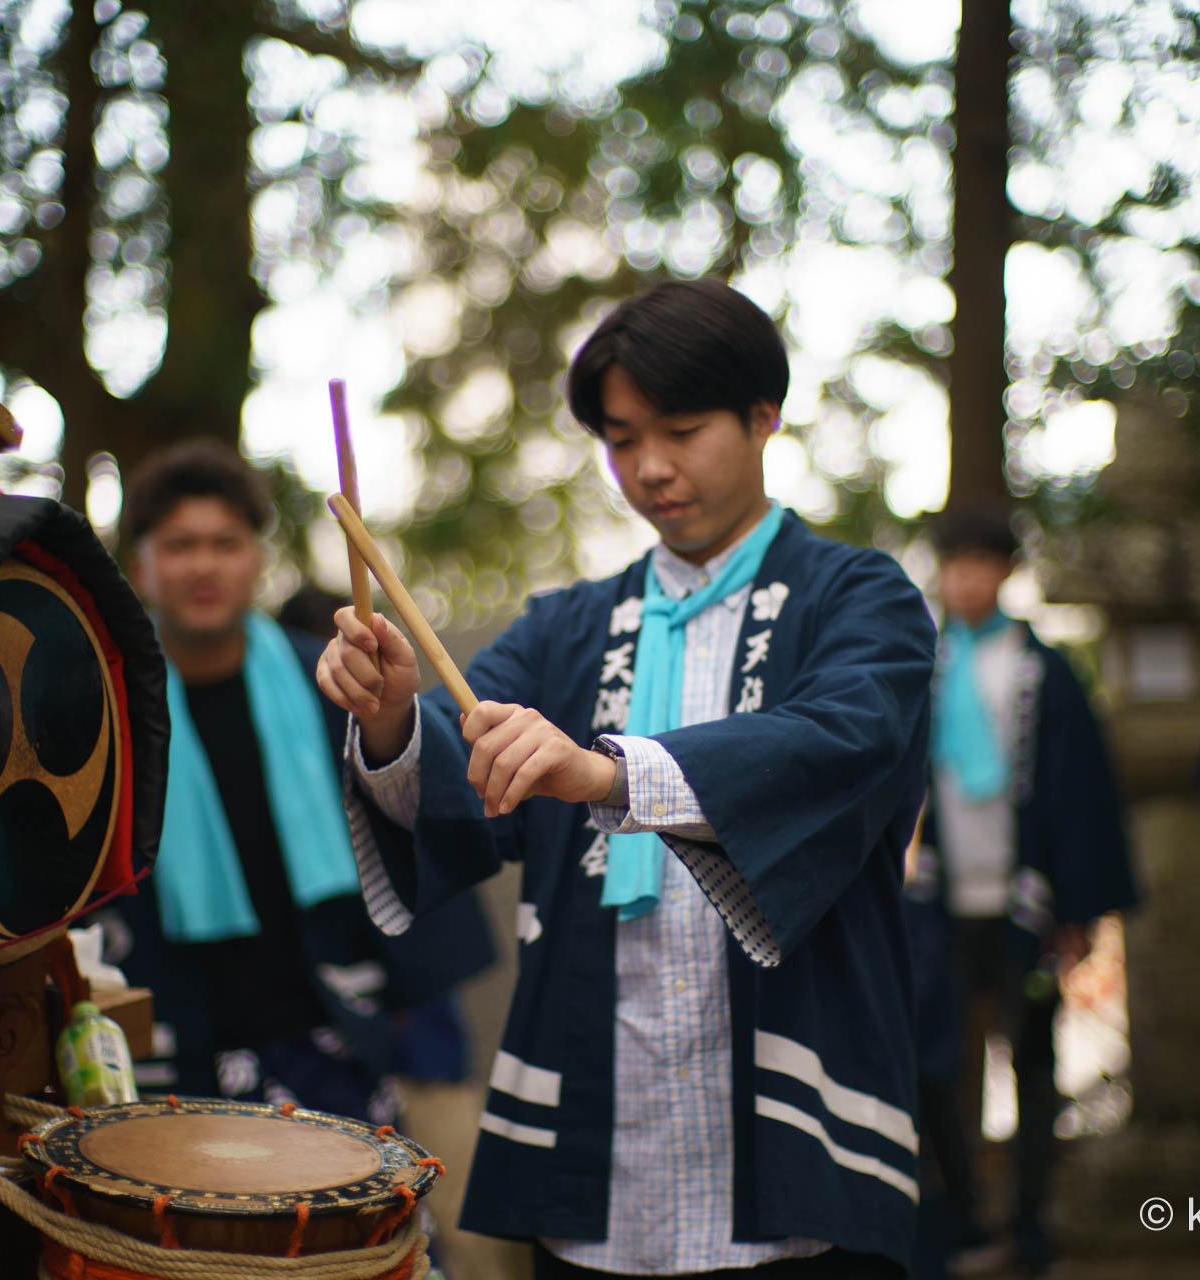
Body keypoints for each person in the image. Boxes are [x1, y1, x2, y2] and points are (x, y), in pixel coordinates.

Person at [317, 279, 940, 1277]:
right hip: (599, 1164)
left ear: (764, 415)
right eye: (620, 441)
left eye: (683, 430)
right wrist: (390, 712)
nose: (650, 468)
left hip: (794, 1155)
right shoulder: (568, 624)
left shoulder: (858, 596)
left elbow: (841, 738)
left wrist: (604, 772)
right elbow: (455, 759)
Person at [101, 438, 492, 1119]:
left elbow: (413, 818)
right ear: (140, 565)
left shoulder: (336, 681)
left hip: (339, 1030)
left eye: (226, 543)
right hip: (178, 1047)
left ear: (257, 557)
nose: (204, 565)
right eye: (179, 544)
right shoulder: (105, 712)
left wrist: (389, 718)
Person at [905, 502, 1135, 1277]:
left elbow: (1081, 794)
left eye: (981, 562)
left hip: (1023, 902)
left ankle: (1030, 1227)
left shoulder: (1043, 669)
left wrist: (1076, 910)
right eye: (953, 562)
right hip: (937, 900)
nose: (966, 578)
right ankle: (959, 1220)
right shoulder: (922, 667)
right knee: (934, 1060)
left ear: (1006, 572)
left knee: (1033, 1064)